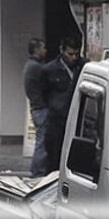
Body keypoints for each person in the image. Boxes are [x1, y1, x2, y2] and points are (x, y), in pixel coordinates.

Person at [41, 35, 87, 175]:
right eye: (70, 54)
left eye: (76, 54)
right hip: (57, 121)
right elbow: (44, 94)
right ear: (62, 50)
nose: (73, 58)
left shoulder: (84, 66)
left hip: (78, 122)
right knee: (54, 159)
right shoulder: (49, 70)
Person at [23, 38, 49, 177]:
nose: (45, 50)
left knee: (41, 141)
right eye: (43, 47)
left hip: (36, 108)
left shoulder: (30, 65)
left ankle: (37, 170)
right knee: (42, 143)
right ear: (37, 50)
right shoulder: (37, 67)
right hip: (41, 109)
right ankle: (37, 171)